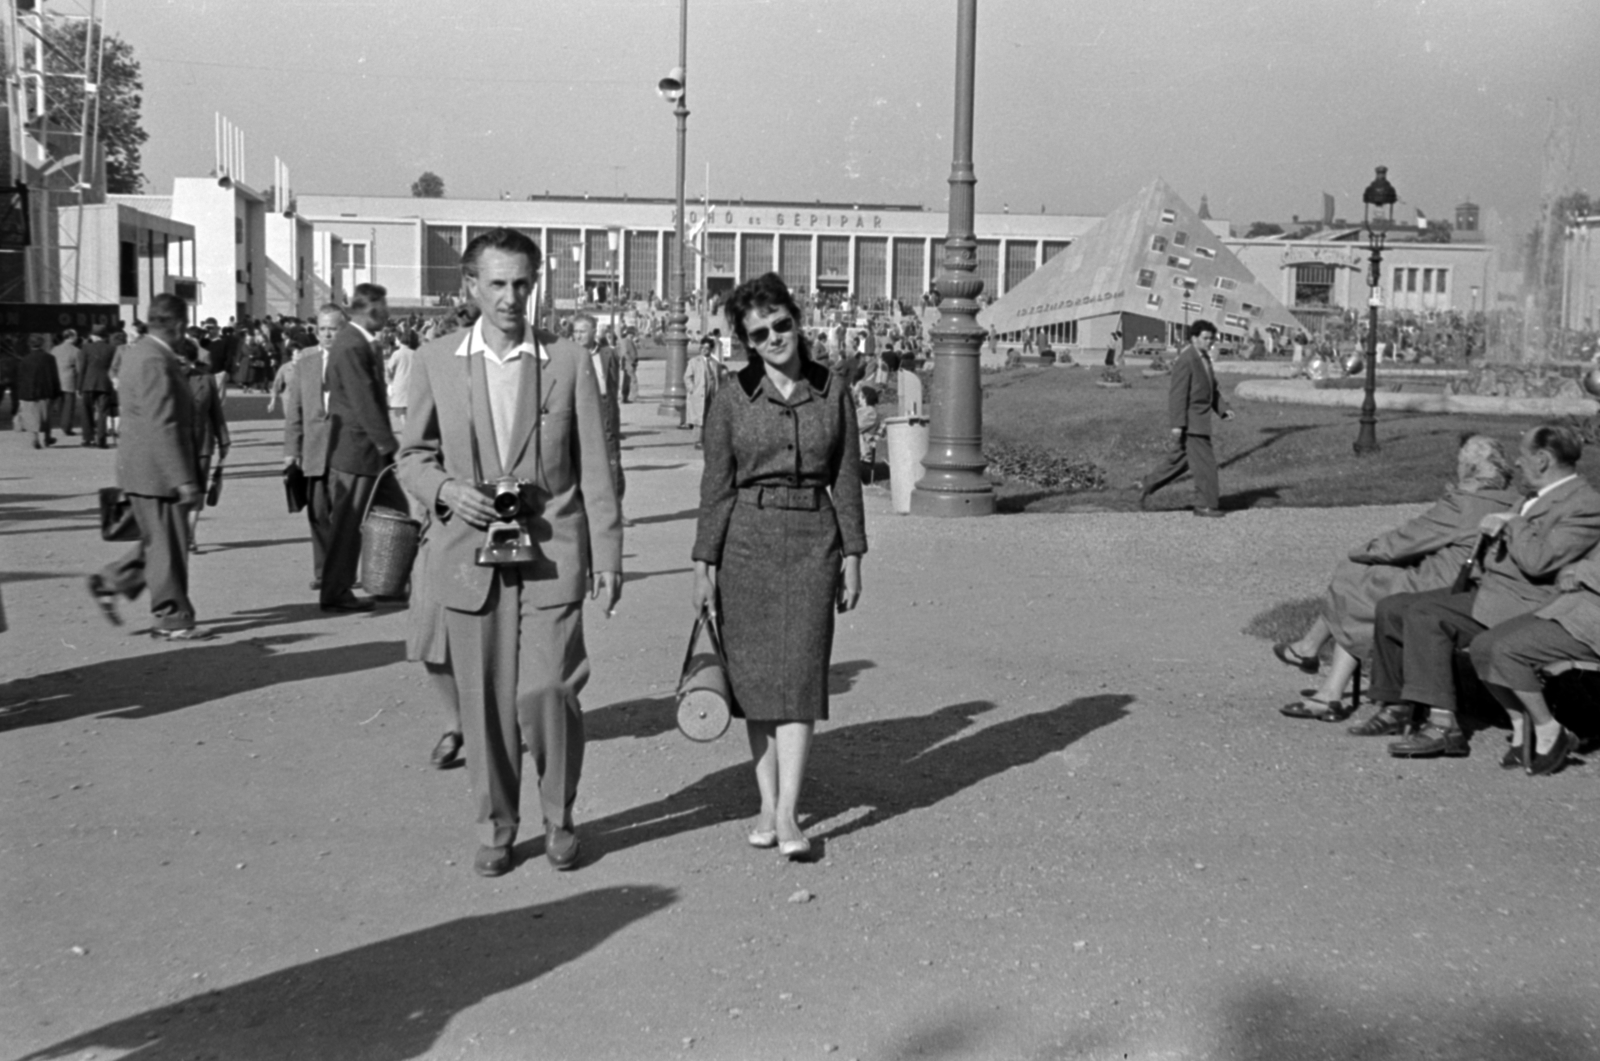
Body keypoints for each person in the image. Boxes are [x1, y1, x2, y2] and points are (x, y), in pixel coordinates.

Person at [396, 228, 621, 877]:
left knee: (547, 689)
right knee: (485, 702)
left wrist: (608, 555)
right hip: (469, 557)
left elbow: (598, 468)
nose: (510, 297)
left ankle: (559, 815)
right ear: (470, 287)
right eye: (496, 283)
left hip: (552, 552)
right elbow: (410, 456)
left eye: (522, 283)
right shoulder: (436, 359)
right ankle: (496, 823)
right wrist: (445, 490)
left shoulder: (571, 362)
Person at [691, 272, 867, 861]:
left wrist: (854, 554)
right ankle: (765, 802)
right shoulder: (731, 396)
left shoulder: (831, 388)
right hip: (747, 543)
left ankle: (789, 810)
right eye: (759, 332)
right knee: (759, 683)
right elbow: (716, 484)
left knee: (801, 676)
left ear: (798, 319)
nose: (773, 338)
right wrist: (703, 562)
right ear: (745, 340)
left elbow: (845, 473)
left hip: (814, 542)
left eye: (781, 324)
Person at [1361, 425, 1600, 758]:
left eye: (1522, 456)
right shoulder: (1534, 496)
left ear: (1543, 459)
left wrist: (1511, 523)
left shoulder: (1583, 504)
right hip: (1496, 592)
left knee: (1427, 615)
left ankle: (1444, 726)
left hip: (1530, 604)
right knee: (1393, 606)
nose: (1515, 464)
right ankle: (1399, 704)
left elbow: (1539, 561)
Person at [1275, 435, 1519, 720]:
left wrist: (1362, 552)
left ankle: (1316, 664)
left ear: (1469, 468)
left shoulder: (1464, 502)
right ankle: (1319, 673)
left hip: (1441, 584)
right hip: (1476, 584)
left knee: (1354, 575)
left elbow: (1405, 540)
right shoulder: (1511, 499)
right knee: (1362, 585)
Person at [87, 294, 202, 639]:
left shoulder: (140, 353)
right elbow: (161, 423)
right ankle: (170, 618)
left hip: (145, 468)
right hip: (158, 472)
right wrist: (182, 478)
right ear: (179, 326)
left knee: (158, 542)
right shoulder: (154, 360)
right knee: (168, 547)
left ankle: (112, 581)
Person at [1468, 542, 1600, 775]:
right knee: (1482, 646)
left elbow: (1582, 568)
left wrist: (1580, 571)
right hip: (1568, 607)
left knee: (1507, 650)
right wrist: (1573, 570)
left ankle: (1549, 730)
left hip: (1591, 624)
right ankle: (1521, 726)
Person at [321, 284, 398, 613]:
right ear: (369, 310)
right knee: (349, 524)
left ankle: (390, 581)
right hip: (359, 450)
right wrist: (387, 444)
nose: (387, 315)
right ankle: (336, 590)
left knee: (395, 512)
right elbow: (363, 401)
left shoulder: (357, 342)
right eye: (383, 309)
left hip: (364, 450)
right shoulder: (352, 345)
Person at [1137, 320, 1231, 517]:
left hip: (1200, 420)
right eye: (1205, 338)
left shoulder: (1203, 358)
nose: (1209, 342)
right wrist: (1177, 424)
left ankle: (1143, 486)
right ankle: (1205, 505)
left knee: (1179, 461)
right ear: (1194, 338)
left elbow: (1211, 390)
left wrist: (1223, 409)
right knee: (1206, 466)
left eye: (1211, 339)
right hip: (1192, 423)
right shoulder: (1186, 359)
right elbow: (1177, 394)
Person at [284, 306, 345, 593]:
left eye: (333, 328)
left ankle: (340, 572)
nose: (327, 334)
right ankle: (322, 572)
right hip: (314, 451)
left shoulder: (355, 361)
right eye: (322, 329)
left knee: (345, 516)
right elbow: (294, 410)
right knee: (319, 514)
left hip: (346, 450)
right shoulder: (305, 364)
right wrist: (290, 450)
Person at [181, 339, 230, 551]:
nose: (179, 367)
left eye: (183, 363)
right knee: (178, 491)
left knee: (198, 491)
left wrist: (224, 440)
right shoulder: (162, 381)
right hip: (174, 446)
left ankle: (190, 535)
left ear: (191, 362)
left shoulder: (206, 379)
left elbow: (216, 413)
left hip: (202, 443)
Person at [572, 314, 625, 508]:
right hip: (578, 409)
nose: (577, 336)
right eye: (575, 332)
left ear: (594, 332)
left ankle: (616, 507)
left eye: (582, 331)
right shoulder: (569, 355)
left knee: (611, 458)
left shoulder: (607, 354)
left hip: (603, 407)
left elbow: (613, 385)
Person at [14, 339, 62, 449]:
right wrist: (56, 392)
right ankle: (47, 438)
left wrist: (20, 395)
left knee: (31, 417)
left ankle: (34, 438)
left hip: (28, 392)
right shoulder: (50, 358)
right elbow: (54, 376)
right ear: (42, 344)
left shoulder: (24, 360)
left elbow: (20, 379)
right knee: (46, 416)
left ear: (30, 346)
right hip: (46, 391)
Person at [77, 324, 117, 448]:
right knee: (103, 412)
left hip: (88, 383)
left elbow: (82, 368)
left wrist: (79, 386)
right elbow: (113, 367)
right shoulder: (111, 349)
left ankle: (87, 438)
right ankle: (101, 440)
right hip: (104, 383)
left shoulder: (86, 348)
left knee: (86, 411)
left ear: (93, 336)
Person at [684, 335, 718, 447]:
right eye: (702, 348)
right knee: (699, 418)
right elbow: (687, 377)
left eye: (707, 348)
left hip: (711, 393)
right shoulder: (694, 361)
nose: (704, 350)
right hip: (698, 393)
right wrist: (692, 389)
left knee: (709, 416)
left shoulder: (714, 362)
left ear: (711, 350)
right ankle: (698, 441)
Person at [50, 329, 81, 436]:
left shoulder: (55, 349)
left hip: (56, 379)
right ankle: (66, 427)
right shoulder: (76, 351)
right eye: (76, 336)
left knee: (60, 404)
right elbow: (79, 369)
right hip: (69, 380)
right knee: (68, 405)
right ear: (72, 337)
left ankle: (61, 422)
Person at [617, 325, 640, 403]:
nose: (632, 336)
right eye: (631, 334)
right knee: (633, 381)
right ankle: (633, 397)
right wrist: (631, 361)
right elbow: (625, 353)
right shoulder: (625, 341)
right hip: (628, 364)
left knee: (627, 381)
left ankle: (625, 398)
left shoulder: (629, 341)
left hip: (630, 364)